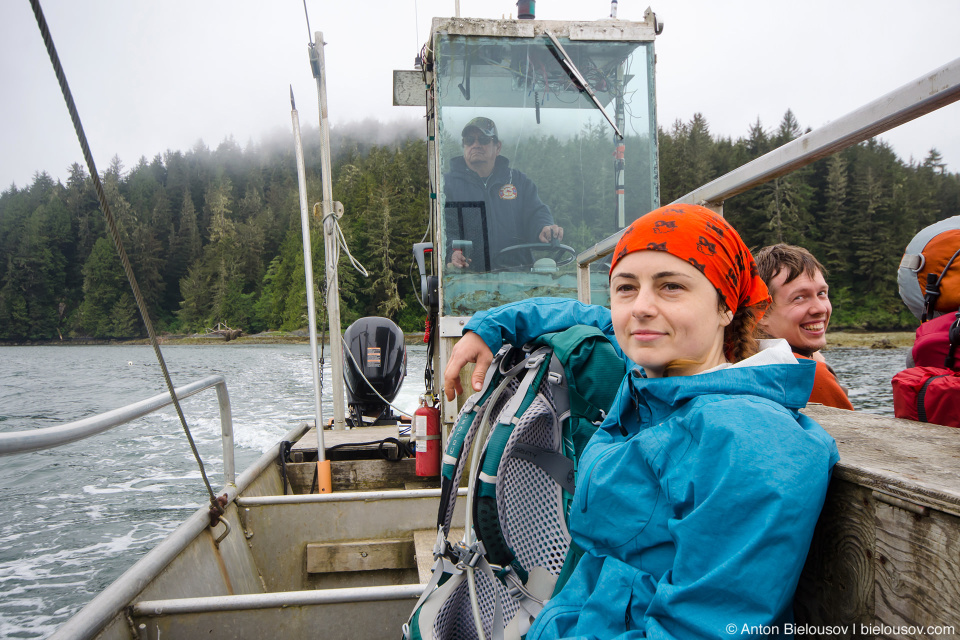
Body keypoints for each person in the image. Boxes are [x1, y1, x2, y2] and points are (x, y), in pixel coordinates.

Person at [444, 204, 839, 639]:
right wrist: (489, 326)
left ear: (727, 307)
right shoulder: (657, 381)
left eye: (671, 286)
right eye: (625, 288)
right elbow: (582, 316)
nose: (641, 308)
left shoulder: (750, 443)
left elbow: (699, 627)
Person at [443, 117, 563, 271]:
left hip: (518, 281)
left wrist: (544, 227)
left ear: (497, 147)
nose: (476, 145)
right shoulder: (447, 186)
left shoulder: (519, 182)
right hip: (470, 283)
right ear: (464, 146)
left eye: (484, 139)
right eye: (469, 140)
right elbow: (446, 229)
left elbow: (536, 213)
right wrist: (452, 253)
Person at [754, 244, 854, 410]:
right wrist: (818, 369)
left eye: (822, 293)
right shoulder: (807, 374)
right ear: (761, 313)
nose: (820, 309)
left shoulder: (741, 360)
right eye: (799, 297)